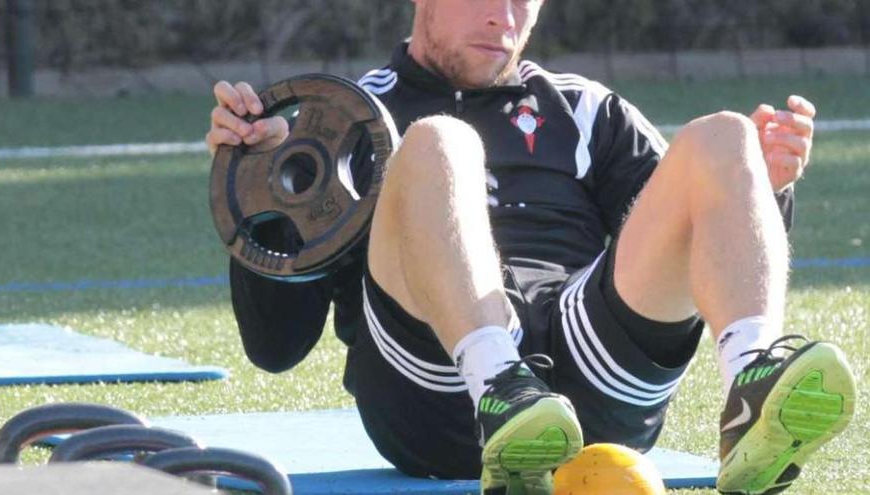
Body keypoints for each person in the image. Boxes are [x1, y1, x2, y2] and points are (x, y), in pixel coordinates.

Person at [205, 1, 856, 493]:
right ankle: (500, 389)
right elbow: (276, 347)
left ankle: (751, 383)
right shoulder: (345, 118)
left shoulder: (585, 109)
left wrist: (764, 187)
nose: (506, 17)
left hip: (587, 369)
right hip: (430, 391)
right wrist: (261, 190)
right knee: (439, 141)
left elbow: (688, 255)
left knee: (724, 136)